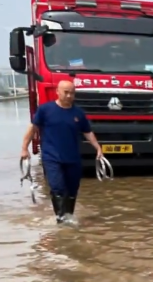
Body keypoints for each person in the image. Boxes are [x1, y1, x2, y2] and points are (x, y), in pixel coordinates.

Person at [20, 80, 104, 225]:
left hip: (72, 158)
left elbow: (87, 132)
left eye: (72, 92)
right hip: (51, 157)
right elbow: (32, 129)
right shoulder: (45, 110)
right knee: (57, 187)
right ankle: (61, 218)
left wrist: (98, 148)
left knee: (72, 189)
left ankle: (69, 215)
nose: (69, 95)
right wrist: (24, 148)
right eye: (66, 92)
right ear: (57, 92)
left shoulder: (78, 113)